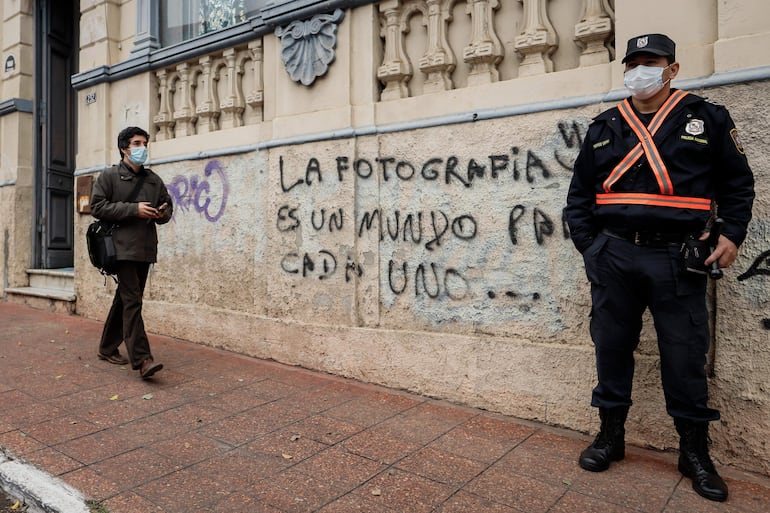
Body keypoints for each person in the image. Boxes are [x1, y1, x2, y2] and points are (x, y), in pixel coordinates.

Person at [565, 34, 755, 502]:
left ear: (672, 69)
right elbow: (579, 197)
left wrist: (731, 233)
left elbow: (737, 183)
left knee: (684, 355)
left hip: (677, 257)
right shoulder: (606, 124)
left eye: (651, 62)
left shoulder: (707, 118)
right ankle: (611, 437)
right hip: (614, 256)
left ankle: (694, 453)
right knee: (611, 347)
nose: (640, 71)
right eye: (633, 63)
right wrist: (593, 250)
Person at [90, 126, 173, 379]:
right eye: (137, 143)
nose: (142, 148)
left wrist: (162, 213)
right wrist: (133, 210)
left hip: (145, 248)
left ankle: (106, 347)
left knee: (126, 299)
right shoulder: (110, 176)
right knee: (133, 300)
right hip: (121, 248)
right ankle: (143, 359)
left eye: (145, 143)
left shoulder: (153, 179)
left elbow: (168, 207)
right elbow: (97, 206)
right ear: (124, 148)